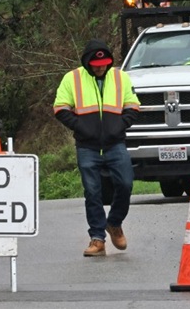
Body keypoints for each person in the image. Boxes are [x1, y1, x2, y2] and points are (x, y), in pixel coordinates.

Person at [53, 39, 141, 257]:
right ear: (87, 62)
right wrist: (81, 127)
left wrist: (119, 125)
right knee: (92, 192)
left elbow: (133, 105)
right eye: (96, 65)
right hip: (87, 146)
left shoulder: (120, 77)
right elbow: (60, 108)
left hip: (115, 143)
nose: (101, 68)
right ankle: (97, 239)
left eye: (104, 64)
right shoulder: (72, 78)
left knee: (126, 184)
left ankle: (114, 223)